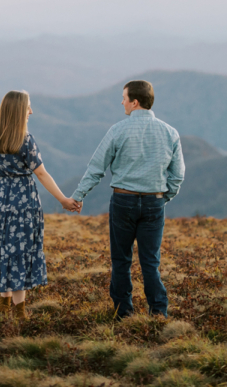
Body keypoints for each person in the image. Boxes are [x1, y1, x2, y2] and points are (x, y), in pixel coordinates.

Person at [70, 79, 184, 319]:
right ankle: (158, 313)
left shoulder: (118, 130)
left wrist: (78, 196)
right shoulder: (170, 132)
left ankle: (124, 315)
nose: (121, 102)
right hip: (154, 202)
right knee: (150, 262)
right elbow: (178, 174)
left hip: (124, 201)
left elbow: (96, 167)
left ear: (135, 102)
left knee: (121, 260)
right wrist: (165, 198)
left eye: (124, 98)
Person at [0, 90, 80, 318]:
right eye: (28, 108)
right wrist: (63, 199)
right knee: (20, 251)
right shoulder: (24, 139)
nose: (31, 112)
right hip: (23, 201)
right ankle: (20, 312)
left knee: (2, 249)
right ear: (18, 111)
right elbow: (41, 174)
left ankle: (3, 304)